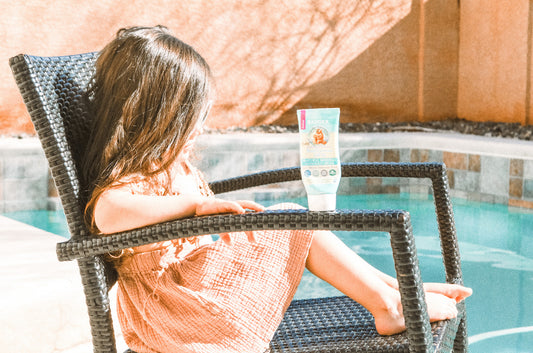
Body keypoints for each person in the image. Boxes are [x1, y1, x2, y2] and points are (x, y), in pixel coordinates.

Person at [82, 25, 472, 353]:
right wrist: (195, 205)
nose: (198, 129)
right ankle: (390, 303)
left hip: (200, 295)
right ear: (155, 117)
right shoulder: (130, 177)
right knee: (293, 220)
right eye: (189, 120)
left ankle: (395, 289)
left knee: (289, 217)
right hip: (185, 316)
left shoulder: (171, 166)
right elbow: (107, 213)